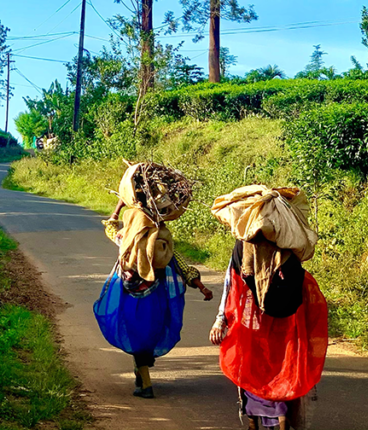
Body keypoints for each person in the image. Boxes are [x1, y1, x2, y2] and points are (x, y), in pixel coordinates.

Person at [208, 185, 328, 429]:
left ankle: (260, 418)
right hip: (280, 327)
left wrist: (222, 317)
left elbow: (231, 284)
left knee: (257, 368)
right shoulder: (287, 252)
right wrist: (221, 318)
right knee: (279, 368)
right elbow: (234, 283)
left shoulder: (245, 248)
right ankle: (276, 417)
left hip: (254, 323)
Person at [93, 163, 212, 399]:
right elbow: (177, 262)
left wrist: (119, 207)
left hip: (128, 293)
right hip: (156, 294)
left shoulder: (126, 235)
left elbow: (110, 227)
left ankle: (145, 382)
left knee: (135, 332)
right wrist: (198, 284)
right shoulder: (160, 235)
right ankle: (143, 371)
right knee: (148, 332)